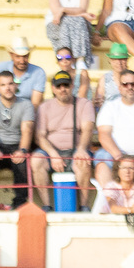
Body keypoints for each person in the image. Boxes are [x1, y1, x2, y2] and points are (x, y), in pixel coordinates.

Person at [31, 70, 93, 211]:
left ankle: (84, 206)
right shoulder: (44, 107)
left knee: (84, 161)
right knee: (36, 160)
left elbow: (87, 129)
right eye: (59, 86)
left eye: (66, 85)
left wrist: (82, 149)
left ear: (72, 86)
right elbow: (39, 135)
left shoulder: (84, 104)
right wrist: (53, 154)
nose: (62, 89)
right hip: (50, 151)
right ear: (53, 88)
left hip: (76, 149)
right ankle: (47, 205)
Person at [0, 70, 35, 209]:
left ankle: (20, 203)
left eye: (11, 84)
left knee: (23, 163)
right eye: (3, 85)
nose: (8, 88)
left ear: (16, 85)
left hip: (17, 144)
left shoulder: (26, 104)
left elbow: (27, 130)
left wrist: (22, 150)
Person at [44, 0, 93, 69]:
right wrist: (78, 13)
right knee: (70, 20)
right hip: (56, 25)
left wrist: (63, 10)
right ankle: (74, 60)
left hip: (79, 26)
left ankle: (78, 60)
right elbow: (56, 11)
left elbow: (83, 9)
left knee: (77, 20)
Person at [0, 38, 45, 108]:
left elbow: (35, 103)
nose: (22, 61)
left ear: (29, 55)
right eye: (18, 56)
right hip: (0, 111)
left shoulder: (38, 72)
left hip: (26, 111)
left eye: (25, 56)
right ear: (11, 55)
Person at [93, 42, 134, 109]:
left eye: (122, 59)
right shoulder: (105, 79)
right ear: (110, 61)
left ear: (127, 60)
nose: (119, 63)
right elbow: (98, 102)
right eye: (115, 59)